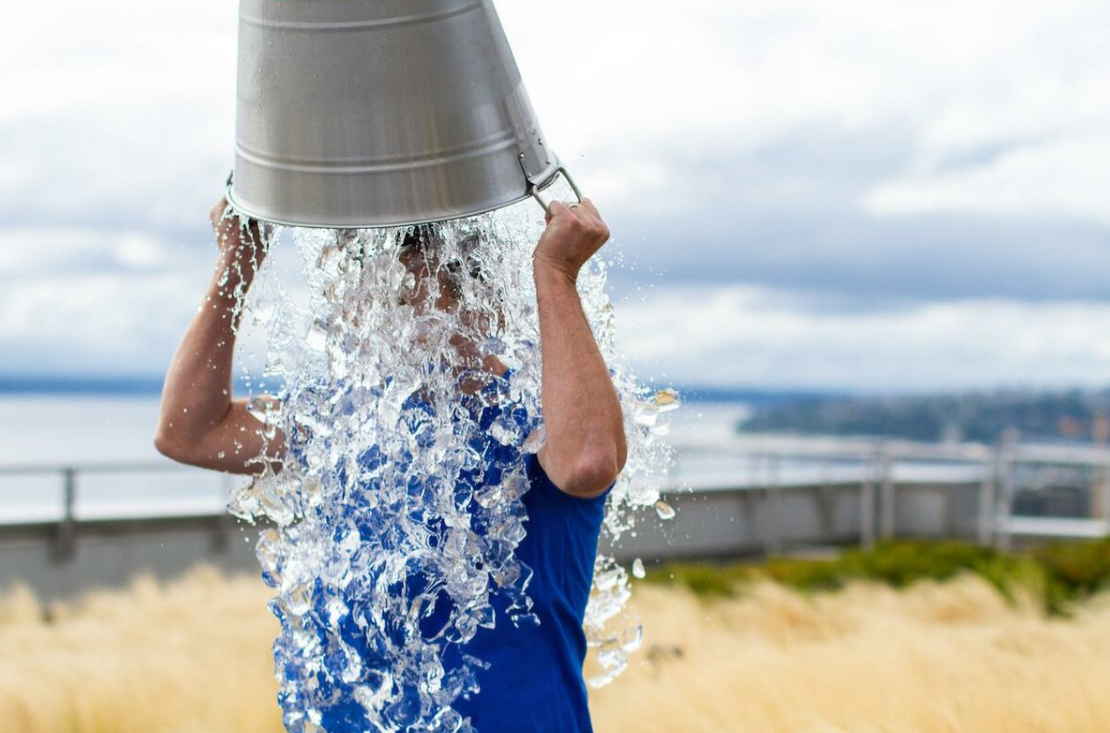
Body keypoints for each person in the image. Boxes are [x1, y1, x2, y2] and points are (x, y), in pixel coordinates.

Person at [154, 195, 628, 732]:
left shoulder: (533, 420)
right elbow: (190, 432)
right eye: (374, 301)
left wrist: (557, 273)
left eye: (410, 298)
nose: (386, 323)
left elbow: (589, 462)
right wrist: (237, 264)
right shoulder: (352, 421)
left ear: (486, 299)